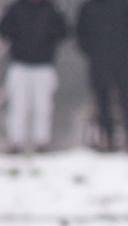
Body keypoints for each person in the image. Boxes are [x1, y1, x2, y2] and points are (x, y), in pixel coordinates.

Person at [76, 0, 128, 153]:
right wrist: (92, 52)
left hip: (122, 61)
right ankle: (108, 138)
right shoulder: (88, 7)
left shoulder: (125, 5)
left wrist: (125, 49)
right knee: (102, 102)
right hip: (98, 62)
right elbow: (80, 32)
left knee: (126, 101)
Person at [0, 0, 67, 154]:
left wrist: (47, 41)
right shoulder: (15, 9)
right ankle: (15, 141)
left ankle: (41, 142)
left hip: (44, 65)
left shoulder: (52, 9)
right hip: (19, 65)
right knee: (18, 105)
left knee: (43, 106)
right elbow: (5, 29)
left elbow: (63, 31)